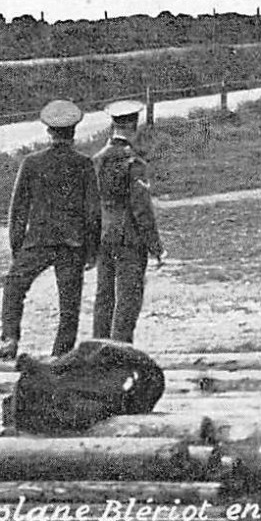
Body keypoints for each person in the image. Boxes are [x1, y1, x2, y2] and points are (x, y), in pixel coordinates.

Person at [0, 100, 100, 360]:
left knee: (14, 285)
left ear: (48, 131)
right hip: (72, 244)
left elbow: (18, 209)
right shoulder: (84, 164)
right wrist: (91, 251)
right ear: (73, 132)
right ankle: (61, 354)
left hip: (38, 240)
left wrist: (18, 247)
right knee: (70, 303)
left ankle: (9, 339)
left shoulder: (32, 163)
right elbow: (94, 212)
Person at [91, 99, 164, 344]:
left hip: (103, 235)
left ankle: (98, 348)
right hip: (129, 238)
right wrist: (156, 247)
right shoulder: (134, 163)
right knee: (128, 296)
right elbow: (141, 209)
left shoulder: (97, 160)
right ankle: (121, 350)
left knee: (105, 295)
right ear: (134, 126)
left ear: (113, 125)